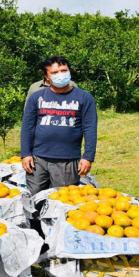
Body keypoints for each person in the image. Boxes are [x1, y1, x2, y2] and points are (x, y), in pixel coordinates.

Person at [21, 56, 97, 195]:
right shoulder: (36, 97)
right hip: (38, 159)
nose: (60, 75)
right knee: (34, 198)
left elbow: (90, 128)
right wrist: (25, 154)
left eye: (64, 70)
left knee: (63, 199)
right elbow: (27, 127)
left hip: (68, 160)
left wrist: (88, 157)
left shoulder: (84, 98)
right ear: (46, 77)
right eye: (54, 72)